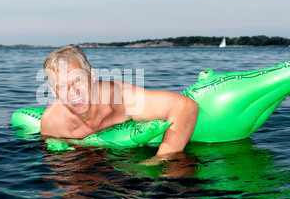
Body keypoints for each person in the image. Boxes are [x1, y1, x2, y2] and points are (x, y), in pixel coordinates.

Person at [40, 45, 199, 165]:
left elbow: (185, 106)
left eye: (78, 80)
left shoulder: (121, 97)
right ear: (53, 91)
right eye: (62, 86)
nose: (73, 92)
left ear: (92, 75)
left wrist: (159, 160)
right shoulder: (52, 122)